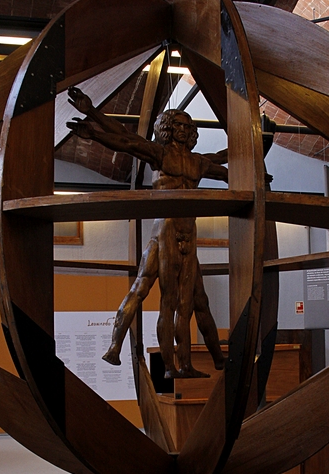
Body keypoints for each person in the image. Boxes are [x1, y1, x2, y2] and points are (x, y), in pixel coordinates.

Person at [67, 87, 228, 379]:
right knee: (168, 300)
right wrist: (93, 119)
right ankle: (169, 366)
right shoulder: (160, 154)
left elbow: (225, 160)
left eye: (187, 125)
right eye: (176, 125)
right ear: (167, 129)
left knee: (194, 300)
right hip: (166, 230)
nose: (182, 130)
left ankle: (201, 362)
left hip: (189, 233)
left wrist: (258, 150)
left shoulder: (198, 162)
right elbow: (127, 141)